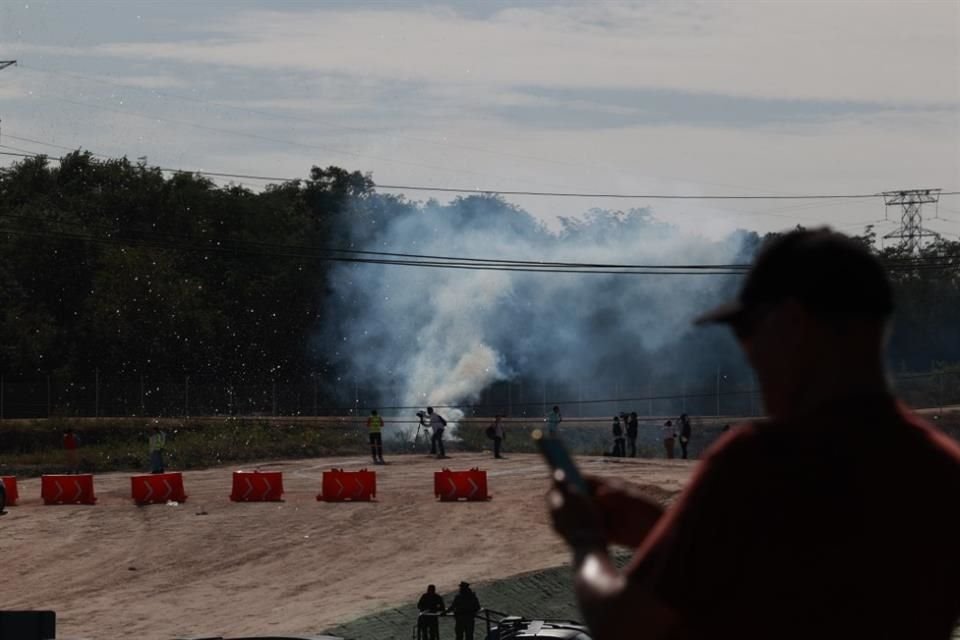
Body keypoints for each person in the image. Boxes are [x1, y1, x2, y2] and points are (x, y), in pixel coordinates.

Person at [546, 228, 960, 639]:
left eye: (747, 329)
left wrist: (586, 539)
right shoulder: (942, 470)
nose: (746, 351)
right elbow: (807, 576)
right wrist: (665, 533)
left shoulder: (758, 463)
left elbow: (621, 624)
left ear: (793, 323)